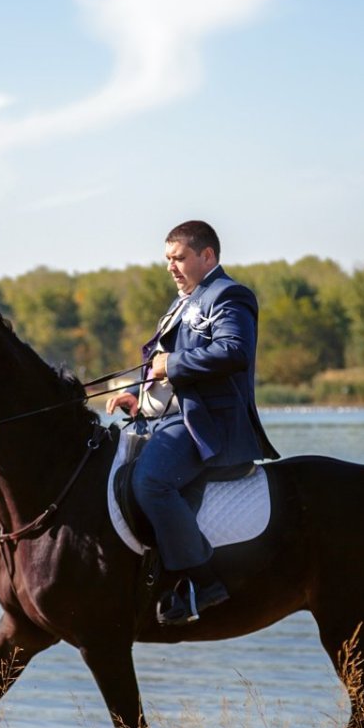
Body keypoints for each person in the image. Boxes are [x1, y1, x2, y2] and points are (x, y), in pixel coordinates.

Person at [107, 220, 280, 625]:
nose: (171, 267)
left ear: (208, 256)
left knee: (150, 481)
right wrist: (140, 397)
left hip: (209, 427)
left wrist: (173, 364)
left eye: (179, 257)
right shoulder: (181, 302)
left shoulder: (229, 295)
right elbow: (166, 371)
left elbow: (234, 351)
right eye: (168, 259)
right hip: (171, 419)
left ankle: (202, 581)